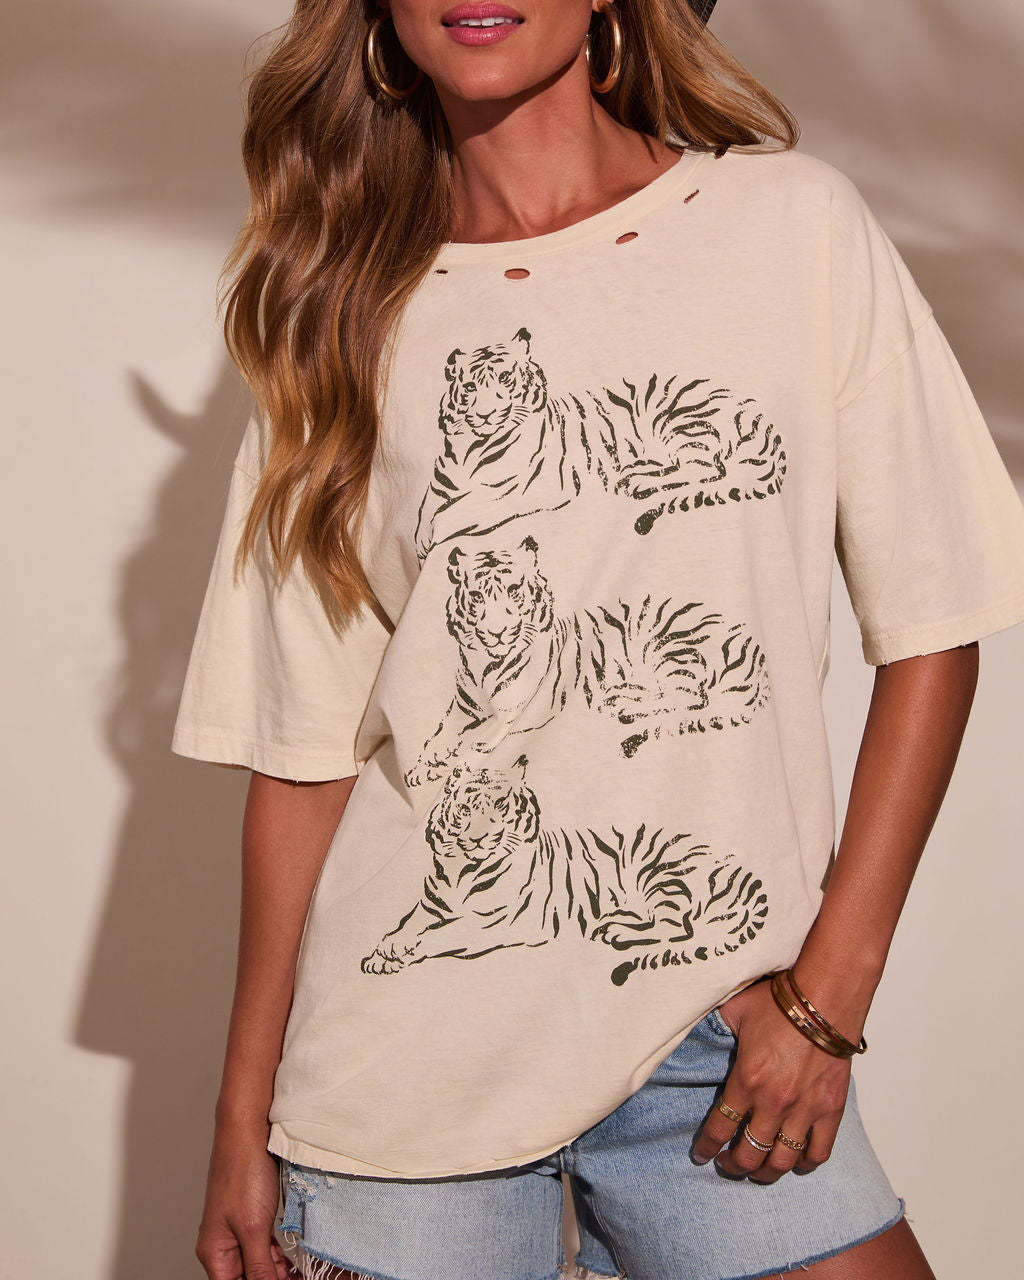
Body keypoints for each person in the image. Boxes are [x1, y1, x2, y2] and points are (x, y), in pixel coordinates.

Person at [172, 3, 1024, 1279]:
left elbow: (935, 627)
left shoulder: (790, 227)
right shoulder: (335, 307)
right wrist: (242, 1121)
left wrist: (825, 1002)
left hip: (716, 1040)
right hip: (405, 1079)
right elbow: (303, 754)